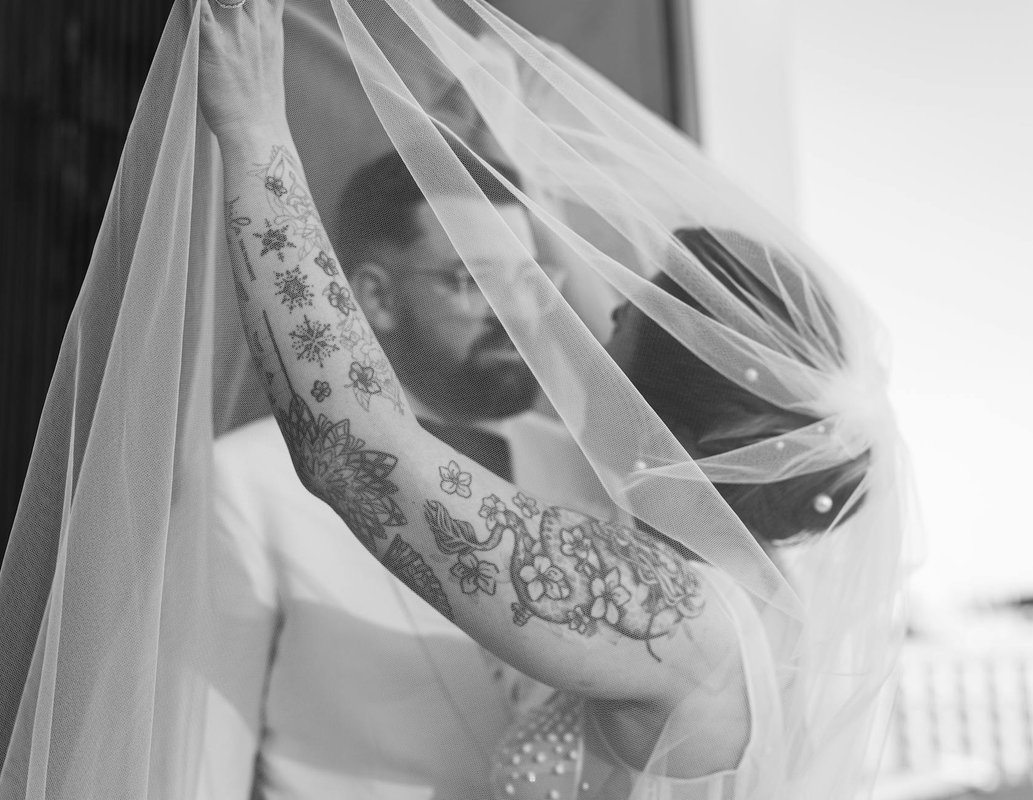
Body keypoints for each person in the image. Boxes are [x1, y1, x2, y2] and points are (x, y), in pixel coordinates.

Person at [196, 0, 902, 796]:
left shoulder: (673, 616)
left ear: (666, 422)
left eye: (620, 330)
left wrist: (255, 133)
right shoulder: (747, 597)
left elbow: (356, 448)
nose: (587, 338)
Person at [200, 117, 619, 798]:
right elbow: (204, 756)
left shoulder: (585, 472)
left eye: (529, 279)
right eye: (467, 280)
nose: (511, 313)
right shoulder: (246, 482)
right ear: (376, 297)